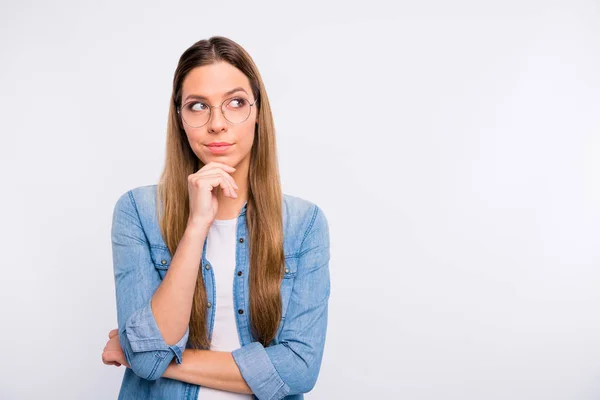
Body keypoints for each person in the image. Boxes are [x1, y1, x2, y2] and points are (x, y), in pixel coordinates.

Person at [101, 36, 331, 400]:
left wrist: (144, 353)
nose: (217, 124)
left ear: (258, 112)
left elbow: (300, 367)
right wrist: (196, 226)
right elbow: (146, 360)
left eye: (235, 103)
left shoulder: (304, 224)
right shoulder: (137, 212)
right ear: (179, 118)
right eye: (197, 106)